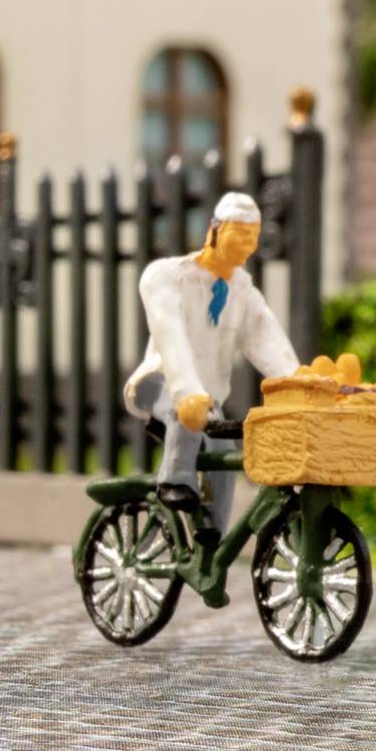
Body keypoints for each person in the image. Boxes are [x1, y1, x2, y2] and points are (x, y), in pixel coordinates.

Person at [119, 191, 301, 537]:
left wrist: (300, 381)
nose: (247, 245)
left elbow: (267, 339)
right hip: (160, 381)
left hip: (207, 399)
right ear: (214, 230)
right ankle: (175, 479)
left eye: (253, 237)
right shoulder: (168, 275)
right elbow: (171, 336)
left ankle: (211, 533)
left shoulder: (241, 290)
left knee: (224, 451)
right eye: (239, 233)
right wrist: (186, 391)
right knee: (181, 408)